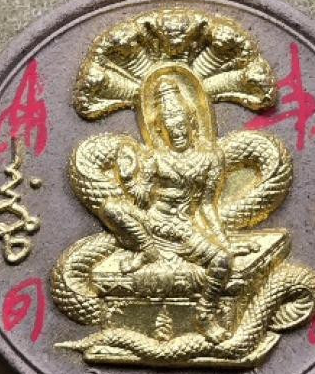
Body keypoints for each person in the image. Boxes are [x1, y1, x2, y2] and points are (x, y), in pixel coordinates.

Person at [98, 75, 255, 343]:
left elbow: (207, 205)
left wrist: (224, 242)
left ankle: (205, 314)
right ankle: (148, 251)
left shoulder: (210, 158)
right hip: (153, 222)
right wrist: (127, 177)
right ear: (161, 130)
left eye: (181, 125)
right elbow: (142, 199)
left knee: (221, 261)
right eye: (171, 128)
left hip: (182, 230)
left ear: (192, 122)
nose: (178, 132)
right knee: (111, 207)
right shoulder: (155, 159)